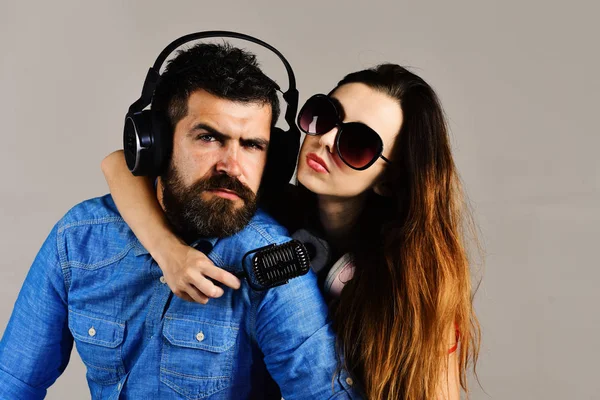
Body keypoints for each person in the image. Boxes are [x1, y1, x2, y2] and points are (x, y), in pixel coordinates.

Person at [0, 41, 361, 399]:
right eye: (208, 137)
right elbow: (12, 381)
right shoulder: (78, 240)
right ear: (156, 144)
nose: (232, 168)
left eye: (252, 145)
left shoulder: (273, 263)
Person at [102, 63, 482, 399]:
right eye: (325, 116)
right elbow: (119, 164)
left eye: (358, 143)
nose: (326, 140)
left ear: (388, 180)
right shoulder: (259, 205)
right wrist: (169, 252)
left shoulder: (420, 283)